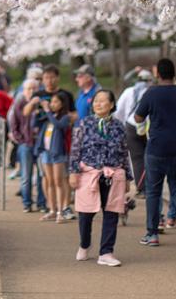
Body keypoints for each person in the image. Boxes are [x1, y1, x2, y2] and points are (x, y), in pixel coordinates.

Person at [134, 58, 176, 250]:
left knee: (153, 191)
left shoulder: (151, 93)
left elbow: (138, 117)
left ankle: (152, 233)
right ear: (174, 73)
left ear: (158, 74)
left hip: (156, 149)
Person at [69, 89, 130, 266]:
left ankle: (106, 252)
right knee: (85, 214)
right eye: (96, 101)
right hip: (89, 174)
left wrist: (127, 178)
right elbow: (75, 149)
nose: (98, 104)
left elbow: (125, 153)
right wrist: (73, 172)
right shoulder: (84, 123)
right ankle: (84, 244)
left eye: (103, 101)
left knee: (111, 214)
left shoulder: (119, 126)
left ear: (111, 105)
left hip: (114, 174)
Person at [26, 65, 76, 220]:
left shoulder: (65, 95)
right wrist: (33, 103)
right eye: (46, 77)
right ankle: (51, 208)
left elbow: (74, 115)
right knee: (46, 179)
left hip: (59, 142)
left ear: (57, 77)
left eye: (52, 77)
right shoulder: (38, 94)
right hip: (44, 142)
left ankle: (64, 208)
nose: (49, 80)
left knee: (62, 178)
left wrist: (61, 117)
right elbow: (27, 113)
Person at [9, 78, 47, 213]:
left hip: (41, 144)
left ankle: (42, 203)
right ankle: (27, 203)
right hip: (26, 143)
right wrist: (21, 139)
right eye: (28, 88)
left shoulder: (43, 103)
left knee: (42, 175)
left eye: (34, 88)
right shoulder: (19, 103)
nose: (31, 91)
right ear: (24, 91)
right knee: (26, 176)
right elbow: (14, 124)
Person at [35, 92, 72, 222]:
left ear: (62, 104)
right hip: (46, 152)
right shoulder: (47, 117)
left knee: (58, 182)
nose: (52, 104)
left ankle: (60, 212)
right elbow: (36, 123)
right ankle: (52, 210)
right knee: (49, 181)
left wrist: (47, 111)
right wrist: (40, 110)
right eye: (52, 102)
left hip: (58, 153)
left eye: (56, 102)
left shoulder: (65, 117)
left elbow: (58, 125)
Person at [114, 69, 153, 192]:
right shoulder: (151, 91)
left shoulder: (129, 91)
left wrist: (122, 124)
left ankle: (141, 187)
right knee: (150, 156)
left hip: (131, 125)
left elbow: (118, 111)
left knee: (136, 158)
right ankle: (151, 185)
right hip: (149, 127)